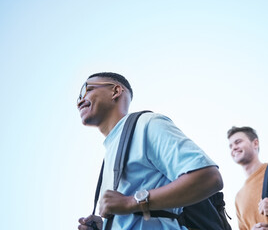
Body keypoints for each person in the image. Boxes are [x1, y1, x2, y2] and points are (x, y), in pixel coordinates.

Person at [76, 72, 223, 230]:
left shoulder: (147, 124)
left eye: (87, 90)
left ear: (115, 91)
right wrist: (107, 225)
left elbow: (209, 178)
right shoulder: (109, 155)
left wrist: (130, 202)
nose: (79, 101)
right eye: (78, 97)